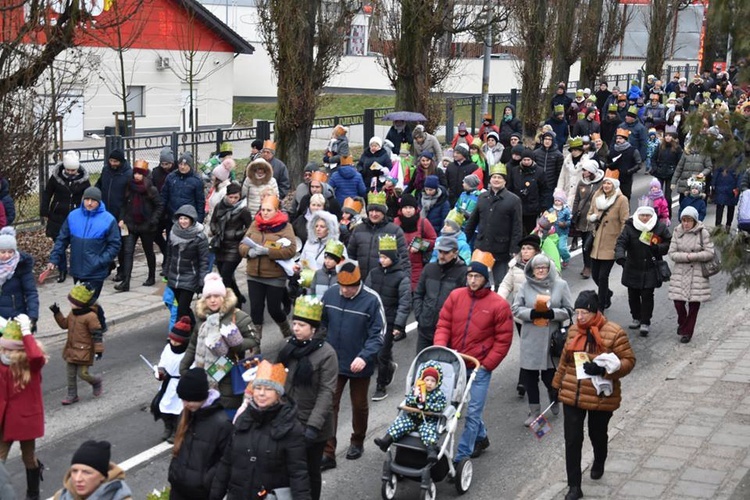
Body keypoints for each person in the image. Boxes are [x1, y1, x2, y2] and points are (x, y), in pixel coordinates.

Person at [551, 290, 636, 500]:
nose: (579, 318)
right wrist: (556, 386)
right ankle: (574, 486)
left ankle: (599, 460)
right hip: (573, 393)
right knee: (572, 439)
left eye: (584, 313)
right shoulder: (573, 331)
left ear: (595, 312)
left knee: (597, 435)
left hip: (600, 396)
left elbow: (629, 361)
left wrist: (603, 370)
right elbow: (564, 361)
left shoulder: (614, 332)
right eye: (577, 313)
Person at [433, 253, 514, 462]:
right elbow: (444, 325)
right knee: (452, 406)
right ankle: (482, 437)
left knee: (472, 412)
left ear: (485, 279)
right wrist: (441, 350)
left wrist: (488, 364)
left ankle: (461, 456)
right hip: (455, 363)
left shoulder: (498, 305)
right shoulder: (456, 296)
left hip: (480, 367)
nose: (472, 280)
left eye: (477, 277)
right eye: (470, 276)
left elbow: (503, 340)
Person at [211, 361, 310, 499]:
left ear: (278, 394)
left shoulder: (290, 428)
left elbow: (298, 473)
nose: (261, 393)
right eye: (258, 388)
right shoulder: (243, 419)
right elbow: (227, 462)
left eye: (268, 389)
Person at [320, 262, 384, 469]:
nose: (345, 290)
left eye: (350, 287)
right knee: (330, 405)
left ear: (359, 283)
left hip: (359, 363)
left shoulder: (372, 300)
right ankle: (328, 452)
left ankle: (357, 441)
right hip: (334, 362)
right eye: (341, 286)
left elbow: (378, 334)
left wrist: (365, 357)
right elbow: (320, 325)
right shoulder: (330, 295)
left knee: (359, 405)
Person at [277, 296, 338, 500]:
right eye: (294, 323)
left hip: (314, 427)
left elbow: (326, 392)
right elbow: (277, 377)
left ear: (313, 329)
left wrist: (312, 427)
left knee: (310, 472)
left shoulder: (327, 354)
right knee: (287, 469)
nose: (295, 328)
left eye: (301, 325)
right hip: (287, 420)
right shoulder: (289, 347)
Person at [180, 273, 259, 416]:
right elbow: (193, 344)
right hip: (204, 371)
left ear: (224, 297)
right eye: (209, 297)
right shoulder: (202, 318)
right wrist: (184, 367)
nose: (213, 300)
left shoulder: (239, 317)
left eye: (216, 296)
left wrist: (235, 345)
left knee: (228, 412)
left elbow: (254, 339)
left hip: (228, 366)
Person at [46, 187, 120, 332]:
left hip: (96, 270)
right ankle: (98, 323)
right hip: (77, 268)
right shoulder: (73, 216)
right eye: (87, 199)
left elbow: (114, 244)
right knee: (86, 300)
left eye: (93, 200)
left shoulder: (108, 219)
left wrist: (100, 261)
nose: (89, 203)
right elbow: (62, 239)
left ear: (99, 202)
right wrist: (54, 259)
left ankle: (94, 327)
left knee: (85, 300)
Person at [512, 254, 573, 425]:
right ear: (531, 269)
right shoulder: (525, 286)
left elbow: (569, 309)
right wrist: (531, 314)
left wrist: (552, 314)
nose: (540, 271)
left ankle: (555, 398)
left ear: (549, 269)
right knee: (530, 377)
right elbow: (516, 309)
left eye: (544, 268)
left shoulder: (560, 285)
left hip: (551, 340)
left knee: (550, 377)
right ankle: (534, 411)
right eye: (537, 268)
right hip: (531, 338)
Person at [168, 367, 233, 500]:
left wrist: (208, 483)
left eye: (190, 400)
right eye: (183, 400)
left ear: (201, 396)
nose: (185, 404)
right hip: (179, 488)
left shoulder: (221, 423)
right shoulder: (185, 416)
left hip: (202, 493)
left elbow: (226, 462)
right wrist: (174, 474)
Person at [0, 314, 46, 500]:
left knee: (28, 458)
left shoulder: (30, 365)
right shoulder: (1, 363)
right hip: (4, 421)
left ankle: (33, 494)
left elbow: (36, 356)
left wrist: (27, 332)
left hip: (25, 420)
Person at [238, 195, 296, 338]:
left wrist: (268, 251)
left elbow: (291, 250)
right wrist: (248, 251)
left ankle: (287, 333)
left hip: (274, 276)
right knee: (256, 310)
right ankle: (256, 345)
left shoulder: (286, 227)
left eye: (268, 210)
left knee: (274, 309)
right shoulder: (255, 224)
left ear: (277, 211)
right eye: (263, 209)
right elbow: (242, 245)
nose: (264, 213)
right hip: (254, 274)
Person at [365, 235, 411, 401]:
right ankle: (388, 368)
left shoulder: (401, 278)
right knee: (373, 350)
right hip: (373, 319)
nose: (382, 260)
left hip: (389, 321)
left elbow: (405, 303)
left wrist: (399, 325)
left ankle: (381, 385)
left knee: (382, 354)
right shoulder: (374, 273)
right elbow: (366, 293)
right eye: (380, 256)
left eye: (385, 257)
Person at [615, 206, 671, 337]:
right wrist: (620, 256)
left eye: (648, 216)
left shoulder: (659, 227)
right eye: (642, 215)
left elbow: (669, 242)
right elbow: (621, 243)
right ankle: (636, 317)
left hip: (650, 267)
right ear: (637, 216)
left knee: (647, 295)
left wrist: (658, 248)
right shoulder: (630, 227)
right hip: (633, 266)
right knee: (633, 295)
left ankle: (645, 321)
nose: (645, 218)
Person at [374, 362, 447, 462]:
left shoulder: (439, 394)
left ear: (437, 383)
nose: (429, 383)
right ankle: (386, 441)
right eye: (427, 380)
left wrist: (427, 406)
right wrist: (415, 400)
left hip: (428, 420)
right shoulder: (417, 390)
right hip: (412, 417)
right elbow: (408, 400)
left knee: (429, 432)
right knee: (399, 424)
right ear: (422, 380)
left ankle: (431, 451)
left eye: (433, 381)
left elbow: (440, 406)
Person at [466, 163, 523, 290]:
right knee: (478, 281)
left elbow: (517, 227)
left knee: (500, 284)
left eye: (500, 177)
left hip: (501, 248)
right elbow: (472, 221)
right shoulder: (482, 197)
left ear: (505, 181)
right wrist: (464, 239)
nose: (496, 180)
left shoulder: (513, 200)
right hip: (482, 246)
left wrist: (514, 248)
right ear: (490, 179)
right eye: (494, 177)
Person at [498, 234, 541, 398]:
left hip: (537, 316)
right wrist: (498, 302)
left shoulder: (544, 266)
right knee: (526, 346)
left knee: (531, 347)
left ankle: (526, 379)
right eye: (523, 248)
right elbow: (506, 285)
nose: (525, 251)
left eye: (529, 248)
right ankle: (529, 375)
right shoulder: (515, 266)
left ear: (536, 251)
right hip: (519, 315)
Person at [41, 151, 91, 283]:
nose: (70, 172)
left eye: (73, 170)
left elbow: (89, 196)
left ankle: (75, 268)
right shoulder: (56, 178)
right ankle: (62, 270)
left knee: (76, 243)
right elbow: (47, 194)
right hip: (57, 215)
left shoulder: (83, 181)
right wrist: (44, 211)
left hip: (76, 216)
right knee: (59, 244)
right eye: (68, 169)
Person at [667, 206, 714, 343]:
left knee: (694, 304)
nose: (686, 223)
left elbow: (710, 252)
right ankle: (682, 323)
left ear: (694, 220)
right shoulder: (677, 231)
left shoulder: (703, 233)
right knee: (678, 303)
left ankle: (687, 332)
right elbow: (672, 253)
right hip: (680, 272)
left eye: (689, 220)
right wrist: (685, 257)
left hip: (697, 273)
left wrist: (693, 256)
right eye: (683, 220)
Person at [51, 283, 103, 405]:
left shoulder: (91, 317)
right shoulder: (73, 313)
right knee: (70, 374)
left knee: (83, 374)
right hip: (71, 349)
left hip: (85, 350)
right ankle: (72, 395)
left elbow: (97, 334)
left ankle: (95, 381)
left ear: (80, 303)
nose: (70, 304)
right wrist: (57, 313)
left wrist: (98, 349)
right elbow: (64, 325)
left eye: (72, 302)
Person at [115, 159, 163, 291]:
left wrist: (153, 220)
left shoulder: (151, 189)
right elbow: (124, 205)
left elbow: (159, 206)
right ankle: (126, 281)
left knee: (148, 251)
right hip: (130, 225)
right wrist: (122, 219)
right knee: (128, 252)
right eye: (135, 173)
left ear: (145, 175)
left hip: (147, 226)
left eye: (140, 174)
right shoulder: (129, 187)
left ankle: (151, 276)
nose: (137, 176)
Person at [586, 175, 629, 310]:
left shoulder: (621, 199)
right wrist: (592, 217)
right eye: (604, 184)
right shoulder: (597, 196)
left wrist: (621, 240)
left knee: (603, 276)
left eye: (609, 184)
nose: (606, 186)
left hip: (611, 241)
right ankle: (607, 293)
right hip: (597, 241)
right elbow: (589, 214)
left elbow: (624, 221)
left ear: (614, 185)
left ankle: (601, 304)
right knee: (595, 275)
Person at [347, 192, 410, 279]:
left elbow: (403, 259)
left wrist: (405, 281)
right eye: (371, 211)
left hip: (385, 282)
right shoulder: (358, 229)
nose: (373, 214)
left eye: (377, 211)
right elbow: (350, 255)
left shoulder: (395, 231)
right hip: (360, 280)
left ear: (383, 212)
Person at [210, 182, 253, 305]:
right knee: (226, 277)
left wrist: (235, 234)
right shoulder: (220, 206)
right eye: (231, 197)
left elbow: (250, 229)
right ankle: (238, 296)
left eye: (236, 197)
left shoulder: (244, 210)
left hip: (235, 247)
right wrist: (215, 230)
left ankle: (234, 303)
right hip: (220, 245)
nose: (233, 200)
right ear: (226, 196)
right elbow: (213, 221)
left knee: (225, 276)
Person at [151, 316, 191, 444]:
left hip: (181, 383)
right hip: (168, 383)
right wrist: (160, 371)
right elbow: (163, 362)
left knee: (178, 410)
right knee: (163, 407)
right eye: (172, 340)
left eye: (177, 341)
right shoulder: (168, 348)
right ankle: (168, 427)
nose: (173, 343)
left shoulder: (189, 352)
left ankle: (177, 431)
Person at [166, 205, 209, 322]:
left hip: (190, 277)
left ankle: (182, 336)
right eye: (181, 218)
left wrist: (202, 280)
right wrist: (166, 271)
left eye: (186, 219)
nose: (183, 221)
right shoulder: (173, 232)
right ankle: (192, 329)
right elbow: (169, 254)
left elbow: (204, 260)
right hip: (175, 276)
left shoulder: (199, 237)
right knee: (183, 309)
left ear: (191, 220)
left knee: (182, 310)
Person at [53, 440, 133, 500]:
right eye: (74, 471)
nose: (78, 479)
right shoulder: (60, 497)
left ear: (102, 476)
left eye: (86, 472)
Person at [96, 149, 132, 281]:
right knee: (103, 241)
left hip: (120, 214)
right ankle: (107, 265)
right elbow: (99, 184)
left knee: (119, 244)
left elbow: (129, 197)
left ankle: (122, 270)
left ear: (121, 162)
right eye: (111, 161)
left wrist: (123, 216)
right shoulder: (106, 170)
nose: (112, 163)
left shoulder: (128, 174)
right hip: (104, 212)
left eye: (115, 161)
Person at [395, 194, 436, 290]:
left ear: (415, 209)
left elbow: (434, 240)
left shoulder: (423, 222)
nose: (408, 210)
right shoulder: (395, 222)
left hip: (417, 267)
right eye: (405, 208)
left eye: (410, 207)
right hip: (399, 265)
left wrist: (419, 245)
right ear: (401, 209)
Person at [571, 162, 605, 279]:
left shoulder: (602, 183)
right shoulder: (582, 183)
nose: (583, 172)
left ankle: (593, 266)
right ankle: (587, 266)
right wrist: (574, 213)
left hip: (595, 219)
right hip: (583, 219)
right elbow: (576, 199)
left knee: (593, 244)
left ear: (591, 171)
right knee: (585, 244)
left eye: (585, 170)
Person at [0, 228, 39, 326]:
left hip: (16, 317)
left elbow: (31, 293)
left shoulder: (21, 266)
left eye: (10, 252)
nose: (7, 255)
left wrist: (32, 316)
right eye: (3, 252)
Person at [161, 152, 206, 232]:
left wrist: (199, 220)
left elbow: (200, 202)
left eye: (185, 165)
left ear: (190, 166)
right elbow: (164, 196)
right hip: (172, 217)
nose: (182, 167)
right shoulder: (171, 177)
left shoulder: (196, 180)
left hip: (188, 219)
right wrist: (162, 214)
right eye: (180, 164)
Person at [508, 149, 549, 234]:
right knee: (518, 230)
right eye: (524, 160)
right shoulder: (515, 171)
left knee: (531, 230)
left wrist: (543, 207)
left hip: (532, 207)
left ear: (532, 160)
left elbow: (544, 190)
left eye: (528, 160)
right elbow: (510, 188)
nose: (526, 162)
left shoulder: (539, 172)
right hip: (518, 206)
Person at [652, 130, 683, 218]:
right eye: (666, 136)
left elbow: (680, 162)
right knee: (657, 194)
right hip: (660, 172)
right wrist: (655, 168)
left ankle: (668, 214)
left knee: (668, 197)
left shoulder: (677, 148)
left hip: (671, 174)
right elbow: (653, 158)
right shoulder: (660, 146)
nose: (667, 137)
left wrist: (675, 172)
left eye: (669, 136)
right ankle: (657, 213)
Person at [607, 127, 642, 199]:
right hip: (613, 178)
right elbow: (608, 161)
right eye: (617, 138)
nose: (618, 140)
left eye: (620, 138)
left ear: (625, 140)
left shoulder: (632, 150)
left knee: (625, 198)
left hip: (626, 179)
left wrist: (629, 171)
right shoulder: (612, 150)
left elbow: (639, 164)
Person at [534, 131, 564, 208]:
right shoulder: (536, 153)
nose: (547, 141)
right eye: (545, 139)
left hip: (550, 186)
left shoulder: (558, 155)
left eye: (549, 139)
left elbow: (559, 172)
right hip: (537, 185)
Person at [557, 138, 587, 208]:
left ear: (581, 150)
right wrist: (559, 191)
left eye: (575, 150)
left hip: (579, 193)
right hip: (566, 192)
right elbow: (562, 177)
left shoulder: (586, 162)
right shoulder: (567, 161)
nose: (573, 152)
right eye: (572, 150)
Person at [712, 159, 741, 230]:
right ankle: (724, 225)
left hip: (727, 183)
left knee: (725, 206)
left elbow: (740, 173)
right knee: (725, 206)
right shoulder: (738, 156)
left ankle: (722, 225)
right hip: (726, 183)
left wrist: (713, 184)